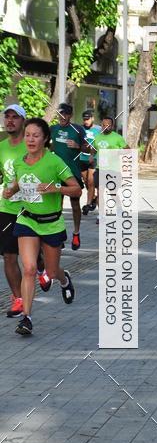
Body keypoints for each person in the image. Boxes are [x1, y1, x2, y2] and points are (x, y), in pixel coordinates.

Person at [3, 118, 80, 336]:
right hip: (27, 220)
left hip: (51, 222)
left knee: (52, 271)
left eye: (35, 135)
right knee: (28, 268)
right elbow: (19, 183)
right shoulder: (19, 162)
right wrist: (10, 191)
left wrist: (55, 188)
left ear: (45, 138)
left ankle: (64, 279)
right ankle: (26, 318)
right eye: (27, 135)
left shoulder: (54, 161)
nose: (30, 139)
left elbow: (76, 189)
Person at [0, 104, 27, 316]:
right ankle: (18, 299)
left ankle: (44, 268)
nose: (10, 120)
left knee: (32, 260)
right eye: (7, 116)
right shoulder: (1, 147)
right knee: (9, 255)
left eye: (14, 117)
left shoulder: (32, 144)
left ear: (23, 121)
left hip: (32, 208)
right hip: (7, 208)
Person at [50, 103, 88, 250]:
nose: (62, 117)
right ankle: (58, 234)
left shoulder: (78, 129)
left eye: (65, 114)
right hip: (56, 173)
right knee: (56, 206)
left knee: (75, 205)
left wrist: (78, 146)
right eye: (60, 114)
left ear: (70, 115)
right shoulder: (53, 129)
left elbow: (89, 149)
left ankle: (76, 233)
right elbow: (46, 144)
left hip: (72, 173)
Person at [90, 116, 128, 223]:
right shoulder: (97, 137)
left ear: (112, 126)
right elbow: (93, 149)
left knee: (112, 192)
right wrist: (91, 156)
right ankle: (101, 215)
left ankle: (119, 209)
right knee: (100, 191)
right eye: (103, 125)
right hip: (100, 169)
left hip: (113, 169)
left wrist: (118, 152)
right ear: (101, 125)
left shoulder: (117, 137)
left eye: (108, 125)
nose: (105, 127)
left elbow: (128, 150)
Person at [80, 110, 100, 216]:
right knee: (87, 182)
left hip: (94, 158)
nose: (86, 121)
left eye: (88, 119)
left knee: (91, 182)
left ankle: (88, 205)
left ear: (92, 118)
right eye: (84, 119)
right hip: (82, 158)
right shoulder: (80, 129)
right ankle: (93, 198)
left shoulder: (99, 129)